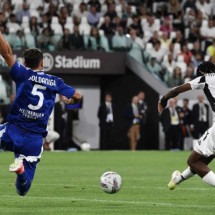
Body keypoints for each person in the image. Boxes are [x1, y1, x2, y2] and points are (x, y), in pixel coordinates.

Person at [0, 31, 82, 196]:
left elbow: (7, 52)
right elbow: (78, 96)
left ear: (25, 62)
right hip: (34, 138)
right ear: (42, 63)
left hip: (13, 130)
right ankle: (21, 172)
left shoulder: (23, 74)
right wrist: (70, 101)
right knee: (23, 189)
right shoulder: (55, 81)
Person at [158, 61, 215, 190]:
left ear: (201, 72)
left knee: (193, 161)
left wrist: (163, 99)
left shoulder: (205, 78)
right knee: (203, 160)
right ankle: (178, 179)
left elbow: (177, 90)